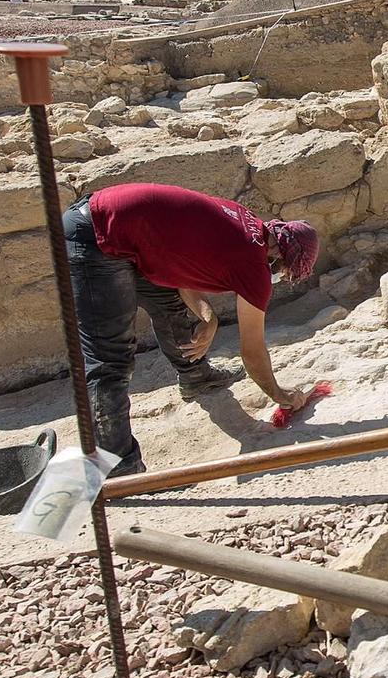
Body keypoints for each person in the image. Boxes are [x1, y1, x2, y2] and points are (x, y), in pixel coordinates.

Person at [62, 182, 318, 475]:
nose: (281, 275)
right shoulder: (254, 266)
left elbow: (179, 267)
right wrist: (281, 395)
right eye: (285, 270)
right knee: (110, 358)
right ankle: (119, 465)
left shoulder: (248, 225)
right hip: (95, 234)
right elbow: (252, 352)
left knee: (168, 301)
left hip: (117, 223)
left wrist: (209, 318)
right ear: (280, 254)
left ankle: (196, 376)